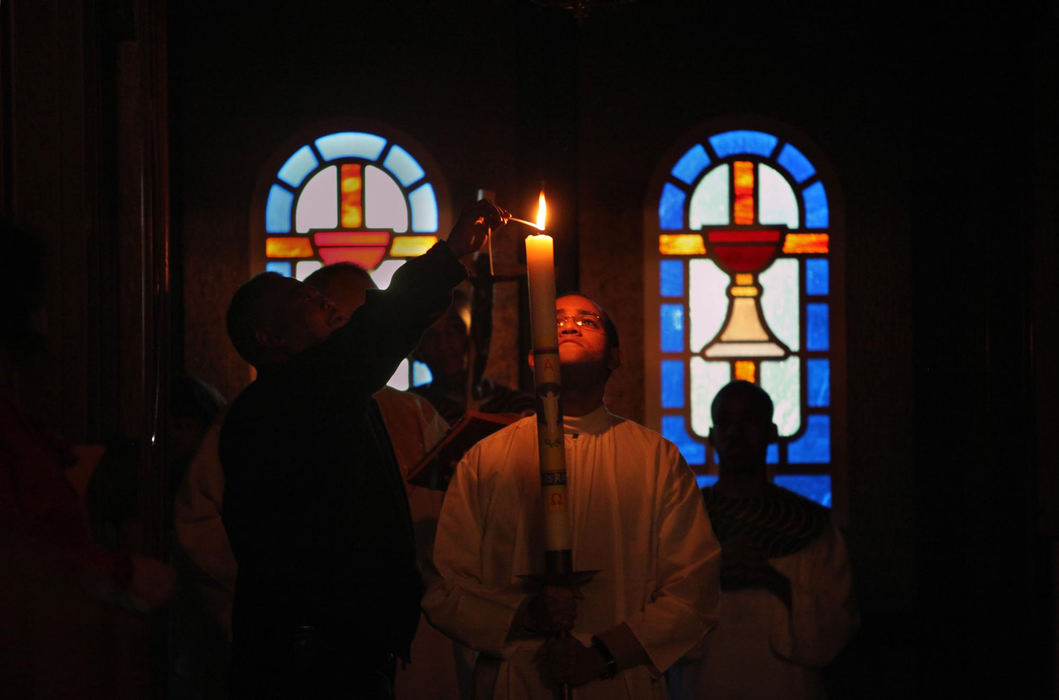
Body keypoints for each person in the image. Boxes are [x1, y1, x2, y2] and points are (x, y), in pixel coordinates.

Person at [218, 200, 503, 699]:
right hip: (309, 662)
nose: (323, 300)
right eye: (302, 296)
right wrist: (451, 253)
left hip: (348, 649)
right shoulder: (287, 399)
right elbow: (376, 332)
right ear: (269, 337)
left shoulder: (326, 392)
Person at [423, 293, 721, 700]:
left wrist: (602, 655)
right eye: (556, 319)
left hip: (618, 681)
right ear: (533, 358)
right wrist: (525, 616)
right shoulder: (487, 458)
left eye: (588, 320)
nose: (569, 325)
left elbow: (693, 589)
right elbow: (446, 587)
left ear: (615, 357)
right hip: (517, 681)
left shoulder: (656, 459)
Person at [667, 380, 858, 700]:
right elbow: (657, 620)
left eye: (748, 420)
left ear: (771, 432)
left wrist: (771, 579)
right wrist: (713, 576)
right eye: (725, 421)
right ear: (712, 435)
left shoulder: (808, 525)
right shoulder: (683, 522)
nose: (734, 432)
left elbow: (837, 626)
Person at [412, 288, 535, 424]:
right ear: (418, 348)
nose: (444, 344)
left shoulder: (518, 405)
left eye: (454, 329)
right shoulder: (414, 409)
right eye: (430, 335)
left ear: (474, 336)